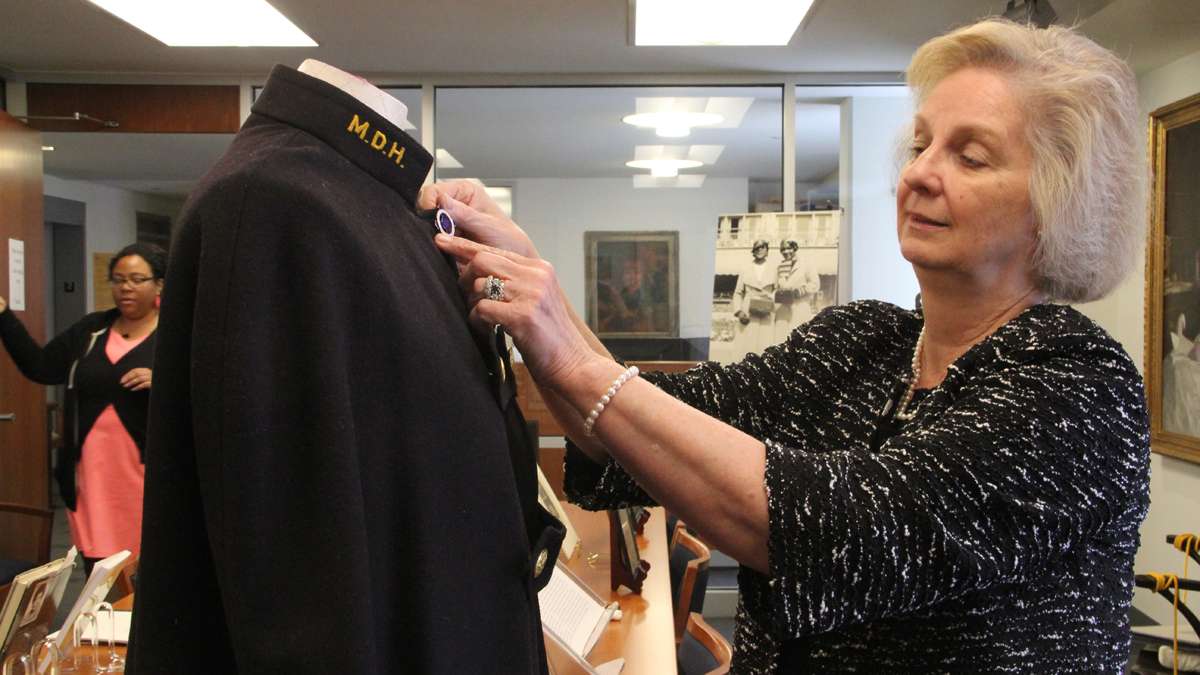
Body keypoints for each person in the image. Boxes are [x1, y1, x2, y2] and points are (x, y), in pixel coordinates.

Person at [422, 17, 1150, 672]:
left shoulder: (1076, 388)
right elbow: (647, 425)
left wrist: (569, 352)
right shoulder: (864, 342)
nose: (920, 172)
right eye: (922, 143)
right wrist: (536, 285)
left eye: (972, 156)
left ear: (1058, 201)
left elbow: (839, 532)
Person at [0, 243, 164, 575]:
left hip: (149, 477)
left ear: (159, 285)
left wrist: (165, 380)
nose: (126, 287)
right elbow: (41, 367)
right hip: (92, 476)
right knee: (100, 574)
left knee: (152, 572)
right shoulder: (91, 330)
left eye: (137, 279)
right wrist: (3, 315)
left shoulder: (176, 335)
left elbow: (209, 388)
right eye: (118, 280)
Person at [732, 239, 775, 357]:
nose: (760, 250)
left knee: (764, 346)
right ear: (753, 251)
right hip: (748, 312)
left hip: (766, 312)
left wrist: (771, 298)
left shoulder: (774, 268)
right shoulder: (745, 268)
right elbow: (738, 293)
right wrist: (739, 311)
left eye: (763, 247)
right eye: (757, 248)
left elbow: (778, 290)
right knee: (746, 346)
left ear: (767, 250)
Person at [772, 239, 820, 343]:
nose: (785, 252)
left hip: (800, 307)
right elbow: (775, 287)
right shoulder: (780, 267)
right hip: (783, 309)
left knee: (798, 340)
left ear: (794, 248)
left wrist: (799, 291)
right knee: (781, 341)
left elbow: (815, 284)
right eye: (783, 249)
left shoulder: (805, 264)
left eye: (788, 248)